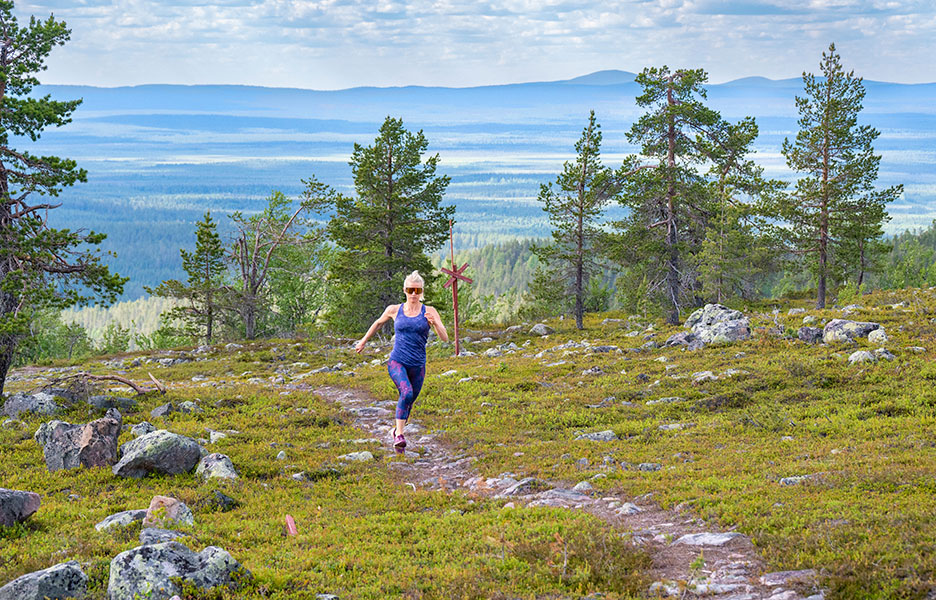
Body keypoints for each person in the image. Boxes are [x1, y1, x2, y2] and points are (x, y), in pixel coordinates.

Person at [354, 271, 448, 448]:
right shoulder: (394, 310)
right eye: (410, 289)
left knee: (409, 402)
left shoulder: (429, 311)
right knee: (406, 392)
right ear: (404, 290)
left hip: (418, 365)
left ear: (422, 292)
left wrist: (434, 323)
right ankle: (400, 437)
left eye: (417, 290)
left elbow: (445, 337)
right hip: (397, 361)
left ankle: (396, 431)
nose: (414, 294)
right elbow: (378, 323)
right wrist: (363, 341)